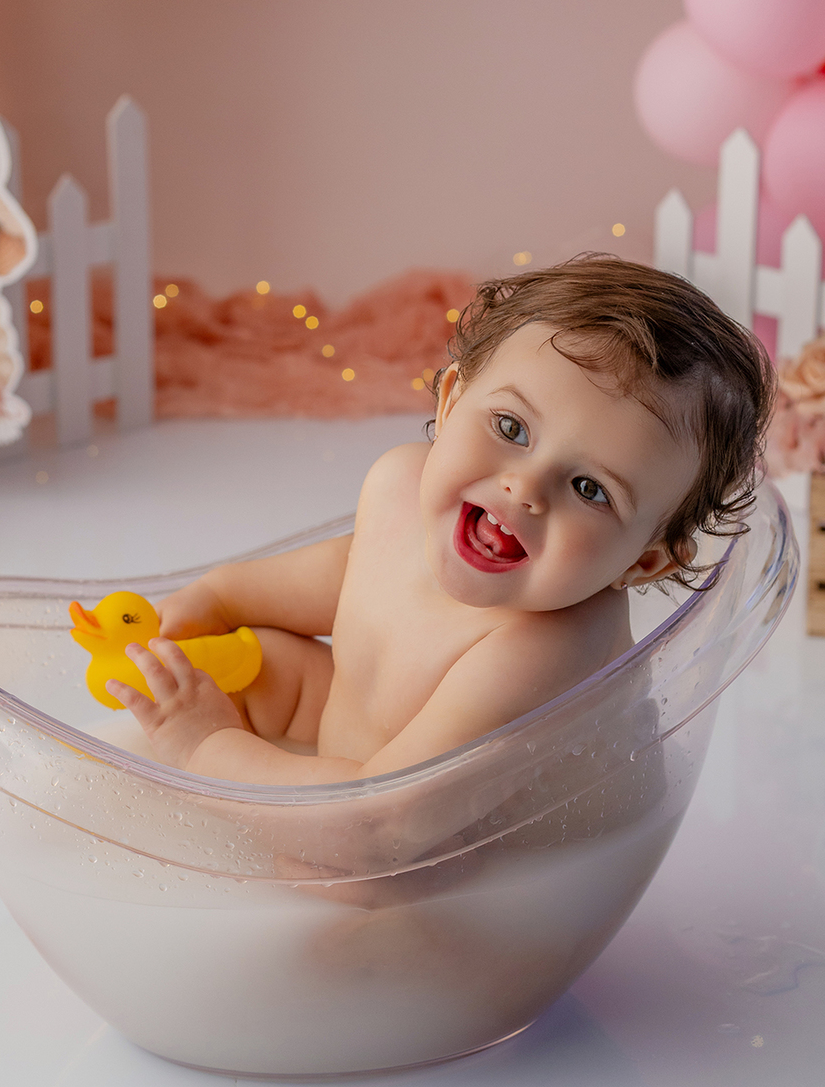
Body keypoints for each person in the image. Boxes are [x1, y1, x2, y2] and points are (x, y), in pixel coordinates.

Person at [107, 257, 776, 784]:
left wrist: (204, 746)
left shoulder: (546, 649)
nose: (525, 486)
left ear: (644, 561)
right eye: (511, 426)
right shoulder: (401, 480)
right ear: (452, 400)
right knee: (252, 665)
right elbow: (353, 569)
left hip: (451, 865)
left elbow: (380, 834)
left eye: (589, 488)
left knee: (377, 927)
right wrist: (220, 596)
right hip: (356, 757)